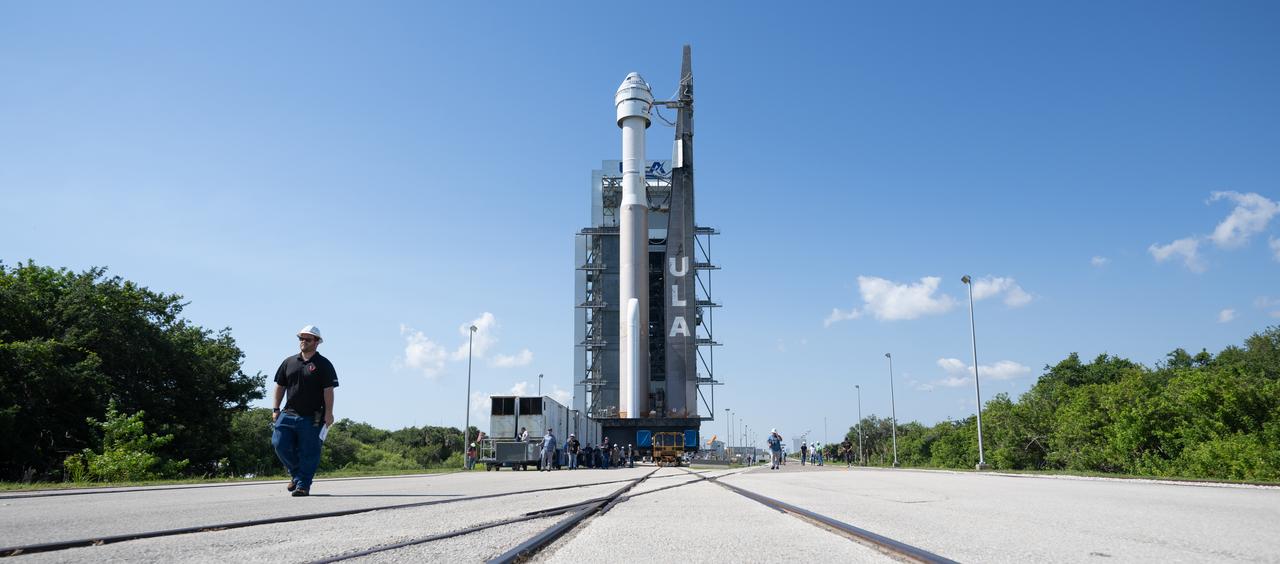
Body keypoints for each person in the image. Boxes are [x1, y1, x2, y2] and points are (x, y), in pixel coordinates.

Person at [271, 325, 338, 497]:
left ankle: (303, 485)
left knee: (310, 451)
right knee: (279, 444)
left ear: (317, 342)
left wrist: (329, 413)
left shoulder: (324, 364)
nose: (303, 342)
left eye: (308, 339)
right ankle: (297, 474)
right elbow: (280, 386)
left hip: (313, 416)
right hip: (288, 413)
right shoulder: (289, 362)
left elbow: (328, 391)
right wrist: (276, 408)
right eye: (301, 338)